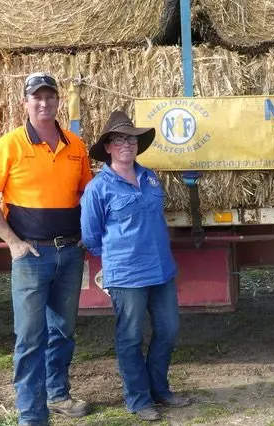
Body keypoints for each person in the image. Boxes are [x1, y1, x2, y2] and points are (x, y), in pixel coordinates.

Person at [0, 72, 93, 426]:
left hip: (70, 254)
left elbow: (87, 195)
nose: (44, 103)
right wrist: (13, 243)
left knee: (63, 331)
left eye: (49, 97)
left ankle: (58, 394)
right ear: (24, 103)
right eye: (36, 97)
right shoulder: (8, 146)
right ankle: (31, 414)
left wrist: (87, 234)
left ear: (58, 101)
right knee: (29, 337)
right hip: (32, 257)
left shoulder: (76, 146)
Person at [80, 110, 191, 422]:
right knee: (130, 337)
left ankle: (160, 390)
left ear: (137, 145)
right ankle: (138, 399)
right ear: (109, 148)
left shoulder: (150, 177)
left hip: (161, 270)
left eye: (130, 138)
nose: (126, 144)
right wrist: (119, 258)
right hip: (127, 276)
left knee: (168, 330)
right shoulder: (98, 188)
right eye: (119, 140)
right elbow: (90, 235)